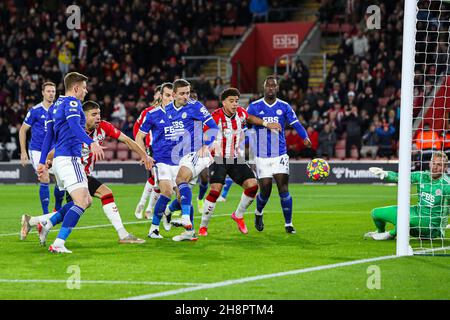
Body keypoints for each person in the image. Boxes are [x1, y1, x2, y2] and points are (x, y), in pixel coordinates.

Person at [23, 101, 152, 244]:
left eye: (99, 114)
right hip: (74, 173)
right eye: (94, 114)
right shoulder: (74, 130)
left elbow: (127, 140)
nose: (98, 117)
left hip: (83, 176)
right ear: (83, 116)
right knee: (105, 194)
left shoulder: (104, 127)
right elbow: (54, 151)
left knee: (74, 207)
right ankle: (122, 234)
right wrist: (47, 161)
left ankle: (37, 221)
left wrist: (144, 155)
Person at [34, 72, 105, 253]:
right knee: (81, 201)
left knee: (86, 200)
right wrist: (92, 142)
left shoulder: (54, 106)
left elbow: (49, 136)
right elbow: (74, 126)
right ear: (75, 88)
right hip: (70, 158)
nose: (86, 91)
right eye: (83, 87)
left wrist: (42, 162)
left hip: (60, 160)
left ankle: (47, 223)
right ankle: (58, 243)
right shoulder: (72, 103)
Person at [198, 88, 281, 236]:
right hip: (218, 158)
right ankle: (203, 226)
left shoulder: (241, 113)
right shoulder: (215, 117)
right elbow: (204, 134)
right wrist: (205, 145)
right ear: (223, 102)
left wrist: (267, 124)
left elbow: (250, 118)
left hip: (235, 158)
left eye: (236, 101)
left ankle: (238, 215)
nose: (235, 104)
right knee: (215, 190)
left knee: (253, 186)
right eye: (231, 101)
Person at [247, 76, 311, 234]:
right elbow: (245, 120)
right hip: (262, 155)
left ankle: (288, 224)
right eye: (268, 85)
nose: (270, 88)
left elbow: (295, 123)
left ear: (277, 88)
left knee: (283, 188)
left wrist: (305, 137)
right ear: (264, 88)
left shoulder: (284, 106)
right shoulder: (254, 106)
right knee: (266, 190)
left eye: (273, 86)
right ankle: (258, 213)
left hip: (280, 154)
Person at [163, 79, 220, 241]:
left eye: (188, 93)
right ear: (173, 95)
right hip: (180, 155)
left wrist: (206, 145)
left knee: (181, 179)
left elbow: (214, 127)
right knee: (182, 195)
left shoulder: (195, 106)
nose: (186, 96)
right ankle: (187, 230)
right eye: (182, 93)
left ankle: (185, 218)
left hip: (199, 152)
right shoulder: (167, 110)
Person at [365, 151, 450, 240]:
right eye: (433, 163)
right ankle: (380, 231)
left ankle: (390, 234)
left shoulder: (446, 185)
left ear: (445, 167)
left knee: (406, 220)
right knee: (376, 213)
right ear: (429, 163)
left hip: (430, 227)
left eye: (439, 165)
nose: (435, 167)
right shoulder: (421, 176)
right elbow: (400, 176)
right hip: (416, 213)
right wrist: (385, 174)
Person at [135, 83, 181, 240]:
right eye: (167, 95)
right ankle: (154, 229)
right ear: (161, 96)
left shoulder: (183, 114)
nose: (170, 98)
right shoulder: (153, 114)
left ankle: (168, 211)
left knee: (183, 198)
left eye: (172, 95)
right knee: (167, 191)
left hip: (179, 161)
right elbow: (139, 137)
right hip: (161, 161)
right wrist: (144, 155)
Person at [18, 82, 65, 221]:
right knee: (44, 176)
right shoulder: (35, 110)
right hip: (37, 150)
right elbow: (22, 130)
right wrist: (23, 151)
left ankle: (57, 208)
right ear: (43, 93)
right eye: (49, 91)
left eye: (53, 91)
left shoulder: (59, 110)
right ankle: (45, 216)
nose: (51, 94)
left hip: (54, 150)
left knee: (59, 179)